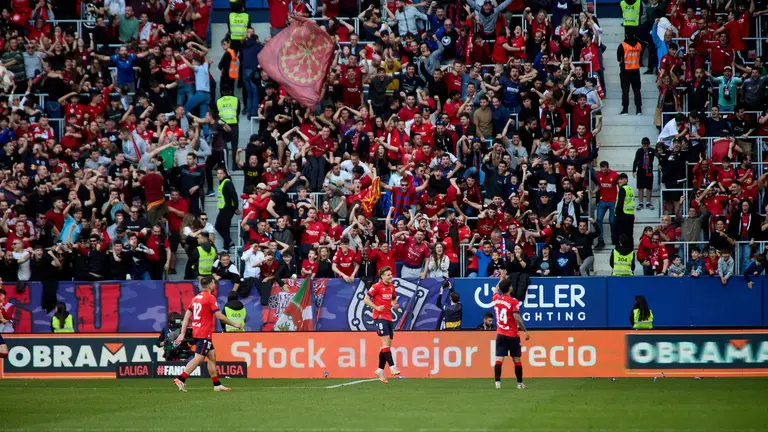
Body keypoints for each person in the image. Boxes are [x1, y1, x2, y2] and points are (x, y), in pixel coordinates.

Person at [173, 276, 243, 392]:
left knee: (212, 357)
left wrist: (182, 333)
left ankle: (217, 384)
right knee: (198, 358)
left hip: (198, 332)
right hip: (204, 333)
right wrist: (233, 324)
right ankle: (181, 378)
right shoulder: (210, 298)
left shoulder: (195, 298)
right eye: (214, 283)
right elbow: (218, 315)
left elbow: (186, 317)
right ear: (210, 284)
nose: (214, 285)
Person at [364, 267, 402, 384]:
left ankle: (380, 370)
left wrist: (395, 305)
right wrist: (375, 307)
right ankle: (392, 367)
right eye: (388, 275)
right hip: (379, 317)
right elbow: (366, 299)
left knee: (387, 345)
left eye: (391, 274)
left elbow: (393, 300)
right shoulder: (376, 287)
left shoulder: (391, 287)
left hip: (388, 317)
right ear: (382, 277)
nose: (391, 276)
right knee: (385, 343)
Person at [492, 277, 529, 390]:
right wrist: (525, 331)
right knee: (516, 359)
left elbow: (495, 290)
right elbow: (517, 317)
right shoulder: (513, 301)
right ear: (510, 288)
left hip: (500, 333)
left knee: (499, 358)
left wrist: (501, 279)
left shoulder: (496, 299)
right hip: (512, 334)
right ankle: (519, 383)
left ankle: (497, 383)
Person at [617, 34, 642, 115]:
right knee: (637, 90)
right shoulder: (638, 45)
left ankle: (625, 109)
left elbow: (618, 58)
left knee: (625, 91)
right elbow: (640, 55)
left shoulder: (622, 45)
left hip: (625, 71)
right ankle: (638, 110)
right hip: (636, 70)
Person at [215, 168, 239, 250]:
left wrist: (235, 207)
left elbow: (234, 195)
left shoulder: (227, 182)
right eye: (218, 173)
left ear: (225, 174)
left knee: (225, 228)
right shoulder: (221, 182)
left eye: (221, 173)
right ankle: (229, 241)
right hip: (223, 208)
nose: (219, 175)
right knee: (218, 226)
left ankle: (226, 248)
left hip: (228, 208)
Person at [615, 173, 636, 247]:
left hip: (623, 215)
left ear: (626, 180)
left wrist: (616, 213)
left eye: (621, 179)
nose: (619, 181)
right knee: (630, 234)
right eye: (618, 180)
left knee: (622, 234)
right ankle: (630, 249)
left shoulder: (622, 189)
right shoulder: (630, 189)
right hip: (631, 214)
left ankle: (622, 249)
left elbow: (620, 202)